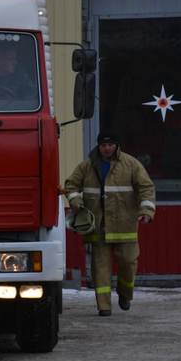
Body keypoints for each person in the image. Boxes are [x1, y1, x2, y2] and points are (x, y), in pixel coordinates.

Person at [65, 131, 156, 316]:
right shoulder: (87, 165)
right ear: (99, 146)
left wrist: (147, 211)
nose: (107, 148)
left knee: (128, 263)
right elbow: (71, 185)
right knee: (101, 268)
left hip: (125, 225)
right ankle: (104, 306)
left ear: (116, 146)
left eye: (110, 145)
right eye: (104, 145)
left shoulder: (130, 164)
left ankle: (125, 294)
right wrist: (75, 202)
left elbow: (146, 187)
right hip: (98, 225)